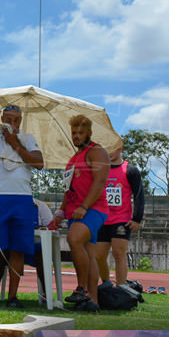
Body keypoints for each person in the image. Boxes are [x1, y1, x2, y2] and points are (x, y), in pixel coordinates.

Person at [0, 105, 44, 308]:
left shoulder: (28, 139)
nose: (11, 123)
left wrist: (15, 143)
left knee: (18, 250)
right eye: (8, 119)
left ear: (20, 121)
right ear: (1, 119)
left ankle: (13, 296)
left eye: (16, 119)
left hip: (22, 199)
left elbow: (39, 163)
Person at [52, 115, 109, 312]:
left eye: (80, 133)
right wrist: (60, 212)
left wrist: (84, 207)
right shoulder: (73, 158)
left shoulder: (97, 152)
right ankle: (92, 301)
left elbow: (100, 182)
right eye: (74, 133)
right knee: (89, 254)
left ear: (89, 133)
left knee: (74, 239)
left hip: (93, 209)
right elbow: (69, 190)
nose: (76, 136)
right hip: (75, 212)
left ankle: (82, 288)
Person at [94, 145, 144, 286]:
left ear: (120, 148)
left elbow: (139, 195)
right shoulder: (100, 169)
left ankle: (121, 288)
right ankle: (106, 284)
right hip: (103, 219)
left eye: (112, 148)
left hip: (121, 219)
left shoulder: (130, 170)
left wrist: (137, 219)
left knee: (118, 253)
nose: (109, 152)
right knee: (99, 255)